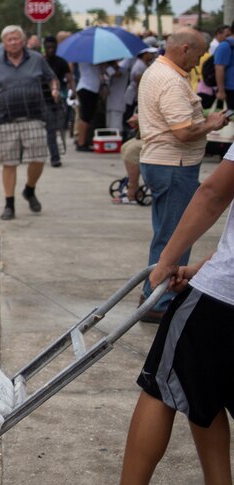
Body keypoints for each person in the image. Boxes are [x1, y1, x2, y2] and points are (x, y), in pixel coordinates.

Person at [119, 149, 234, 485]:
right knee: (202, 386)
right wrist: (201, 267)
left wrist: (167, 261)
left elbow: (214, 193)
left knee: (161, 387)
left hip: (224, 297)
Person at [137, 27, 228, 323]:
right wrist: (212, 124)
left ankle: (153, 293)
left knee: (166, 231)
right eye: (198, 54)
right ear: (185, 49)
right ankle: (160, 299)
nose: (199, 61)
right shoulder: (170, 81)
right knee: (177, 234)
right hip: (173, 166)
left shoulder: (159, 72)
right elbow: (184, 132)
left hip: (164, 164)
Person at [0, 25, 58, 221]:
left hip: (34, 116)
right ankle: (9, 203)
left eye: (16, 39)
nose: (13, 42)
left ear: (23, 41)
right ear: (3, 43)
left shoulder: (36, 59)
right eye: (9, 39)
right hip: (6, 118)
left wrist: (54, 90)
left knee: (39, 158)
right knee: (9, 162)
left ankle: (29, 189)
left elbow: (51, 78)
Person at [42, 36, 75, 167]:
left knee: (57, 127)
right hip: (41, 99)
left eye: (53, 48)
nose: (51, 50)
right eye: (48, 47)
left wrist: (73, 91)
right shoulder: (40, 61)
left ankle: (55, 155)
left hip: (57, 99)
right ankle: (55, 157)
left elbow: (69, 77)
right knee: (50, 129)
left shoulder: (61, 62)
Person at [75, 61, 102, 151]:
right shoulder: (92, 58)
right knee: (85, 117)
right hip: (88, 88)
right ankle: (81, 143)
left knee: (86, 117)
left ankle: (82, 141)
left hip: (90, 87)